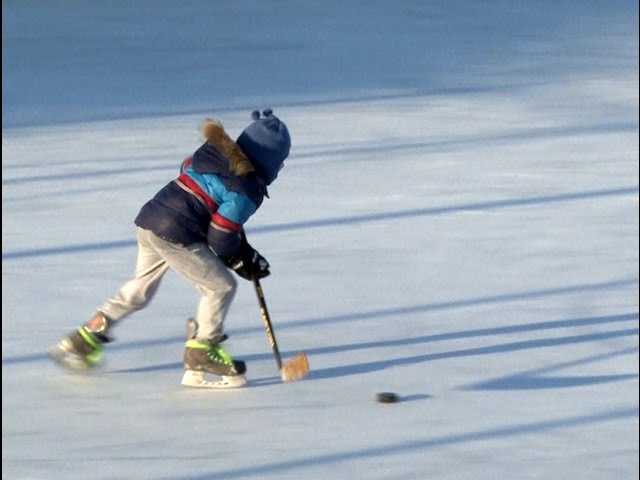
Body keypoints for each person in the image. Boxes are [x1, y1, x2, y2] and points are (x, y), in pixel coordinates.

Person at [48, 109, 291, 388]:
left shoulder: (213, 153)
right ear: (269, 160)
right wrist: (241, 259)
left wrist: (238, 245)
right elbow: (221, 236)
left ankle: (84, 338)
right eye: (281, 162)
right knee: (220, 287)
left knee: (141, 288)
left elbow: (188, 166)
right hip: (176, 233)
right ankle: (202, 351)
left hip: (150, 219)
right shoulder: (245, 190)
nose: (282, 168)